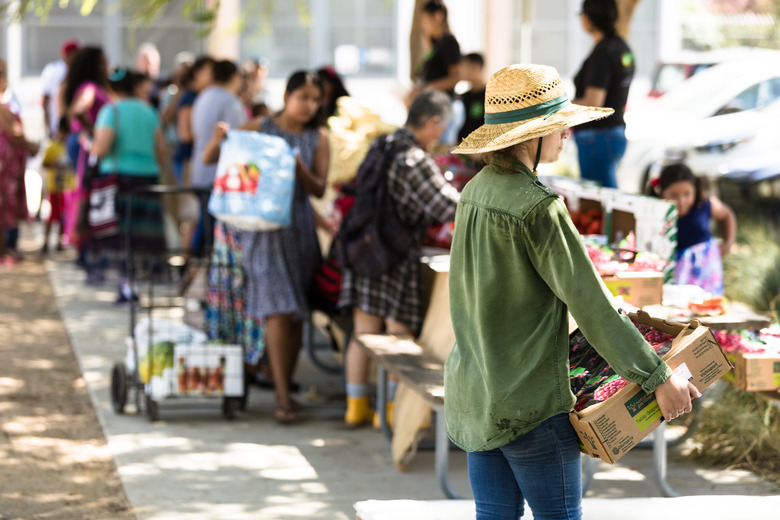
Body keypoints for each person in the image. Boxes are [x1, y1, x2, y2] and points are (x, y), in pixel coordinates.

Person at [443, 64, 700, 520]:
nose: (566, 134)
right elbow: (593, 308)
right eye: (558, 124)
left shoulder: (473, 193)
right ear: (532, 135)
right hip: (529, 407)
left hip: (475, 395)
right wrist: (660, 377)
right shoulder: (539, 208)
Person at [203, 70, 330, 424]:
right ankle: (281, 397)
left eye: (315, 99)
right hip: (263, 233)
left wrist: (300, 170)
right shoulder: (259, 126)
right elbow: (212, 157)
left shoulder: (319, 137)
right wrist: (219, 139)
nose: (309, 105)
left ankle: (283, 383)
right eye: (303, 97)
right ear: (287, 95)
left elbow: (318, 189)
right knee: (276, 308)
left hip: (299, 231)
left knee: (293, 314)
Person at [339, 89, 460, 427]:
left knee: (362, 334)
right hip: (393, 256)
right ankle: (388, 414)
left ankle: (355, 405)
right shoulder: (414, 159)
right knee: (397, 338)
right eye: (443, 127)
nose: (442, 134)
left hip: (364, 248)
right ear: (433, 122)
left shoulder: (382, 144)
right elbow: (446, 206)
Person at [89, 67, 168, 300]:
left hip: (119, 182)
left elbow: (101, 148)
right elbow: (161, 149)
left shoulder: (110, 111)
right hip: (148, 179)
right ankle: (135, 282)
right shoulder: (149, 111)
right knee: (143, 237)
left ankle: (125, 284)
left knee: (122, 236)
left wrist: (88, 145)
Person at [572, 0, 634, 189]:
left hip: (597, 137)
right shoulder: (622, 48)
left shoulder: (602, 52)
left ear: (589, 18)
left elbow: (594, 102)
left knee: (601, 202)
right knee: (606, 198)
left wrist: (559, 108)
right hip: (613, 132)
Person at [651, 163, 736, 296]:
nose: (681, 201)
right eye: (673, 195)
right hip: (675, 277)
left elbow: (727, 215)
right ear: (661, 192)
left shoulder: (705, 205)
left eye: (687, 194)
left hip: (707, 274)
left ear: (695, 190)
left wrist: (728, 244)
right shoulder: (652, 213)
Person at [190, 59, 245, 255]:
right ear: (233, 77)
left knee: (205, 228)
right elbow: (238, 138)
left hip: (201, 170)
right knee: (211, 235)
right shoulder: (229, 101)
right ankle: (191, 274)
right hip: (219, 174)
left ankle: (190, 274)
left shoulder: (203, 96)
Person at [408, 0, 463, 145]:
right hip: (433, 109)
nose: (422, 25)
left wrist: (426, 87)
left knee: (441, 151)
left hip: (445, 107)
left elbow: (455, 77)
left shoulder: (449, 42)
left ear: (437, 16)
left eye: (424, 20)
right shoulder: (435, 43)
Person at [0, 59, 39, 265]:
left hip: (11, 164)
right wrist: (32, 146)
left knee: (8, 204)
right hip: (5, 165)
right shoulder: (2, 108)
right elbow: (15, 133)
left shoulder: (5, 104)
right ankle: (5, 249)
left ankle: (7, 247)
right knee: (4, 204)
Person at [41, 117, 75, 254]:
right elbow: (44, 164)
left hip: (67, 187)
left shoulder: (71, 146)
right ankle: (46, 241)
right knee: (52, 216)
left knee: (64, 216)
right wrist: (55, 165)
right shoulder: (52, 146)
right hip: (54, 187)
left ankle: (61, 242)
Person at [41, 38, 81, 139]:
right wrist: (48, 128)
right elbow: (46, 99)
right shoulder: (54, 70)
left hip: (72, 127)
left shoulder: (76, 71)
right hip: (60, 125)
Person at [457, 52, 486, 142]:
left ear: (476, 68)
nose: (460, 71)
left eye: (463, 66)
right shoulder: (462, 97)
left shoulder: (490, 96)